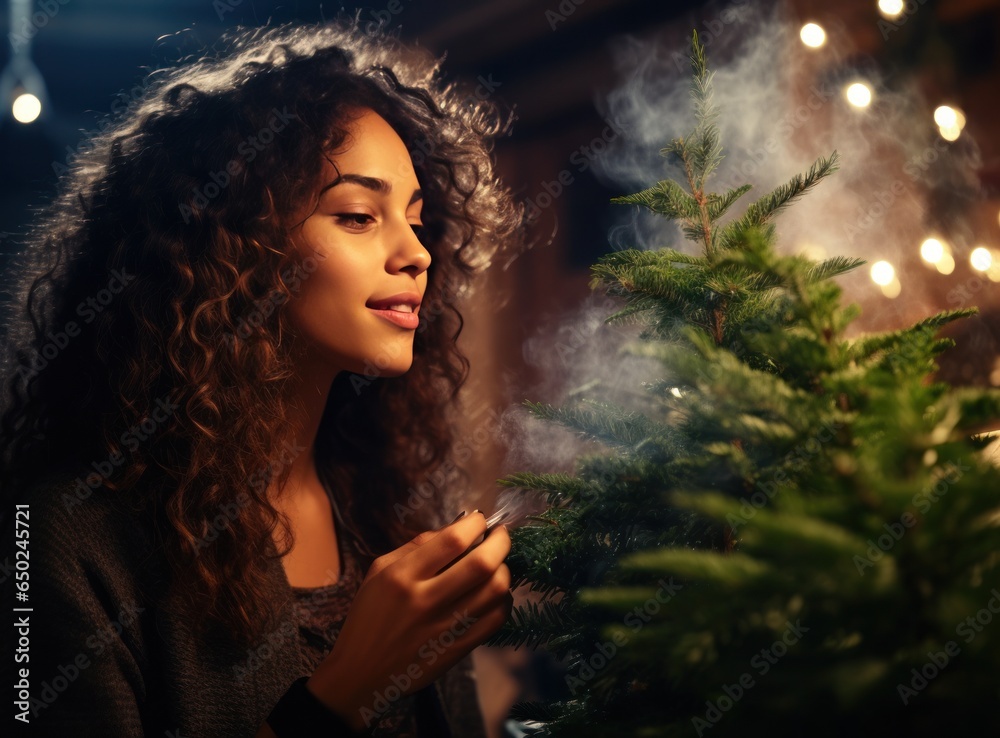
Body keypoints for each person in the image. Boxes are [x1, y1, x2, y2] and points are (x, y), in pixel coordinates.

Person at [0, 18, 522, 738]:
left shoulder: (382, 508)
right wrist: (344, 695)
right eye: (358, 215)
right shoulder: (63, 537)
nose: (417, 253)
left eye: (416, 218)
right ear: (233, 249)